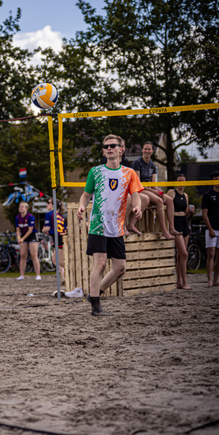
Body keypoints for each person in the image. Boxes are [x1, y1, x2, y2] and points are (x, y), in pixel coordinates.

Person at [77, 134, 143, 316]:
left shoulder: (129, 173)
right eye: (106, 146)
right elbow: (85, 194)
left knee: (120, 268)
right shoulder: (95, 171)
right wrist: (82, 205)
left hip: (117, 226)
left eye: (113, 145)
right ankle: (95, 307)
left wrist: (137, 207)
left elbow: (136, 196)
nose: (109, 148)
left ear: (121, 149)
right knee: (100, 264)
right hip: (98, 223)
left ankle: (94, 294)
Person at [131, 142, 181, 240]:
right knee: (159, 201)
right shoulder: (136, 163)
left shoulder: (153, 165)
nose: (147, 151)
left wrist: (160, 191)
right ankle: (164, 231)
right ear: (142, 150)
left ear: (153, 151)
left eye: (149, 149)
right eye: (145, 149)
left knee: (169, 200)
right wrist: (155, 192)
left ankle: (171, 228)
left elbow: (153, 184)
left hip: (148, 189)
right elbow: (138, 184)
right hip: (139, 189)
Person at [104, 138, 150, 235]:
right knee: (128, 197)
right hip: (111, 193)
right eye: (109, 146)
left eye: (122, 146)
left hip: (124, 190)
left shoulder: (125, 162)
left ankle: (131, 225)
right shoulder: (106, 161)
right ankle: (122, 225)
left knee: (145, 198)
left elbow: (128, 181)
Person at [167, 175, 194, 290]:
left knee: (180, 255)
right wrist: (170, 225)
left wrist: (190, 212)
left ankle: (178, 282)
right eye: (179, 181)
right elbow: (166, 209)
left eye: (183, 181)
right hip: (175, 223)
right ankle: (185, 282)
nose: (181, 183)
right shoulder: (172, 193)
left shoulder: (186, 195)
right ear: (176, 182)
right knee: (184, 254)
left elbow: (185, 212)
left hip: (184, 222)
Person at [42, 198, 67, 283]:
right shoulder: (60, 215)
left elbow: (47, 228)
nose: (47, 204)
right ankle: (64, 277)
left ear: (53, 205)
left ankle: (67, 276)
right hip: (62, 238)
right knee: (55, 260)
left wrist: (43, 230)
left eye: (48, 202)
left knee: (59, 261)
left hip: (58, 239)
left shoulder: (49, 214)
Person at [16, 201, 41, 281]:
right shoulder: (17, 218)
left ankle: (38, 274)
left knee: (34, 255)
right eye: (20, 206)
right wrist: (19, 237)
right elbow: (18, 229)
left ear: (26, 208)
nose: (20, 208)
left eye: (22, 206)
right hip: (23, 236)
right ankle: (22, 275)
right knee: (23, 255)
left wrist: (22, 238)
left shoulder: (31, 217)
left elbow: (30, 230)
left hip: (32, 235)